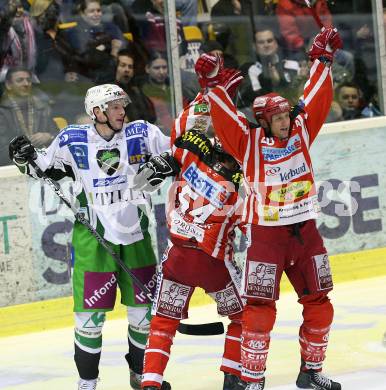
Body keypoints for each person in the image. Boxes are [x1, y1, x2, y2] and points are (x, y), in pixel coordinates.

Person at [195, 26, 343, 390]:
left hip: (306, 234)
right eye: (278, 116)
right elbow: (227, 121)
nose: (285, 120)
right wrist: (213, 86)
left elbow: (317, 97)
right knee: (259, 312)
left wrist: (322, 59)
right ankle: (253, 379)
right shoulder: (247, 144)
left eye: (286, 114)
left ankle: (310, 372)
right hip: (267, 238)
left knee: (321, 304)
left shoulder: (300, 132)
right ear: (263, 120)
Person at [8, 84, 171, 390]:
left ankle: (140, 374)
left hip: (136, 237)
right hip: (94, 239)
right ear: (96, 112)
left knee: (142, 315)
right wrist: (25, 156)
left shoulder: (142, 133)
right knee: (90, 321)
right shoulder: (74, 138)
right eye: (114, 107)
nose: (122, 111)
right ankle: (87, 383)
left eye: (122, 105)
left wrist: (170, 161)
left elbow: (176, 152)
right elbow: (47, 170)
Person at [132, 78, 246, 390]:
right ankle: (232, 377)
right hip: (213, 264)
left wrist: (206, 92)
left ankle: (151, 383)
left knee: (163, 322)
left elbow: (182, 129)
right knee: (245, 316)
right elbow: (253, 228)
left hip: (177, 259)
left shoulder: (190, 156)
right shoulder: (243, 187)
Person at [0, 66, 57, 166]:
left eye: (28, 80)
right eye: (20, 80)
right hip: (13, 166)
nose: (26, 84)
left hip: (43, 163)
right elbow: (2, 148)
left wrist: (49, 136)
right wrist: (24, 148)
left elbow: (58, 134)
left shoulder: (42, 106)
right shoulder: (2, 110)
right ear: (9, 85)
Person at [114, 49, 156, 123]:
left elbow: (151, 117)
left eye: (130, 67)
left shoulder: (137, 92)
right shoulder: (108, 91)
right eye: (123, 65)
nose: (127, 69)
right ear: (115, 68)